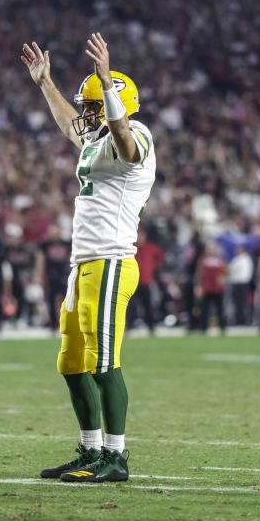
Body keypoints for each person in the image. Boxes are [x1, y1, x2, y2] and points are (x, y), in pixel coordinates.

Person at [21, 33, 155, 483]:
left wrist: (106, 81)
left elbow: (123, 137)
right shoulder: (97, 136)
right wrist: (46, 85)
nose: (88, 112)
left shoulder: (135, 133)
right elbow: (70, 125)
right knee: (72, 363)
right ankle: (91, 449)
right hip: (85, 264)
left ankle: (116, 457)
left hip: (112, 261)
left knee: (104, 362)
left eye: (94, 103)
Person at [133, 228, 164, 335]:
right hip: (133, 282)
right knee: (131, 305)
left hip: (146, 281)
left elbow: (160, 256)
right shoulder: (132, 248)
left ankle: (151, 326)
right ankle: (130, 326)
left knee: (148, 305)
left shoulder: (150, 247)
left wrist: (153, 267)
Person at [194, 242, 228, 335]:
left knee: (220, 309)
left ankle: (222, 327)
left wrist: (224, 278)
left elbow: (227, 271)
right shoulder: (203, 259)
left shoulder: (221, 259)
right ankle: (203, 328)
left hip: (218, 288)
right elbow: (199, 273)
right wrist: (198, 285)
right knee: (205, 309)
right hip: (207, 288)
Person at [227, 244, 253, 326]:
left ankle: (243, 320)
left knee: (242, 303)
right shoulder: (236, 259)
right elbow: (230, 269)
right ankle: (238, 319)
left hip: (242, 283)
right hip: (236, 283)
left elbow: (245, 273)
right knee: (237, 303)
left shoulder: (246, 259)